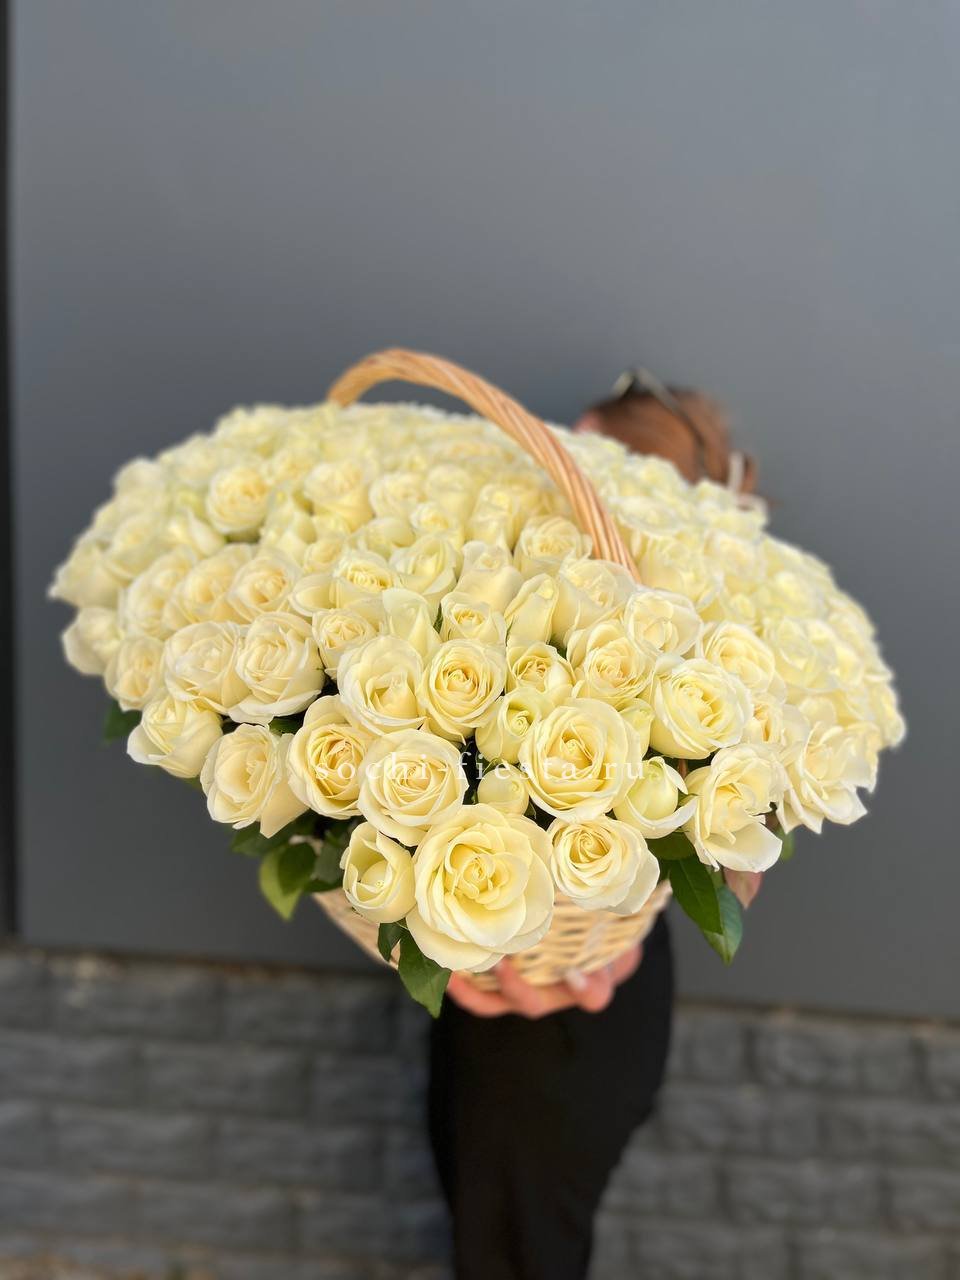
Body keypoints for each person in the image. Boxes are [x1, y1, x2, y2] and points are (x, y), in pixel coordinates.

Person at [427, 370, 761, 1280]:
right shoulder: (526, 598)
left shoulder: (695, 637)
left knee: (520, 1249)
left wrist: (612, 941)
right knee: (486, 1223)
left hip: (576, 1014)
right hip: (500, 995)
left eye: (585, 455)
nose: (559, 474)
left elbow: (743, 844)